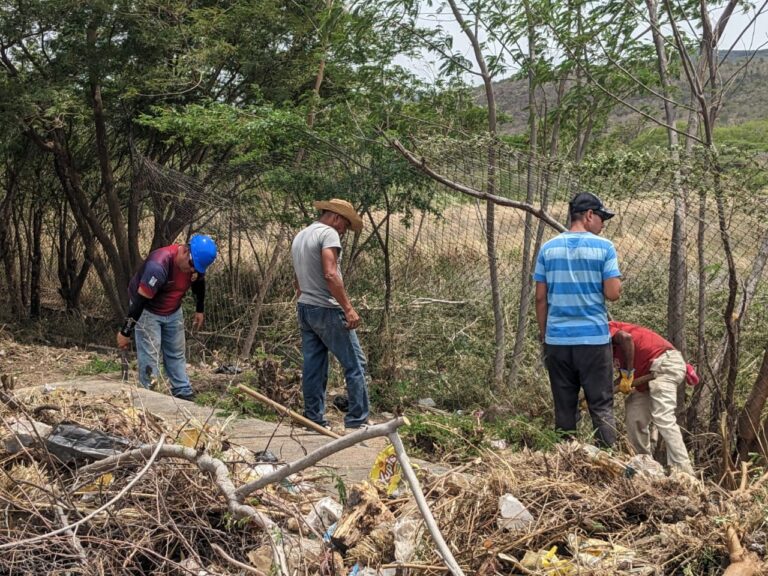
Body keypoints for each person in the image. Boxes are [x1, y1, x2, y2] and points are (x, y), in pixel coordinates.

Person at [533, 191, 622, 447]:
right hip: (593, 340)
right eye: (602, 217)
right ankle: (607, 460)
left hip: (557, 341)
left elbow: (540, 298)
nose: (603, 224)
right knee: (601, 405)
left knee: (564, 408)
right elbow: (612, 293)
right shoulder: (604, 247)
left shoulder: (548, 249)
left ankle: (565, 461)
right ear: (589, 215)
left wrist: (545, 335)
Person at [291, 198, 370, 431]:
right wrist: (348, 308)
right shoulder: (329, 234)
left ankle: (313, 419)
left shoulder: (301, 235)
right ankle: (357, 421)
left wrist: (305, 295)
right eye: (345, 225)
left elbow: (297, 277)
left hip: (305, 307)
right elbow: (330, 273)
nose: (344, 231)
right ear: (336, 218)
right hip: (327, 308)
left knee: (314, 366)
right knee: (356, 364)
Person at [116, 234, 218, 401]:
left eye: (197, 269)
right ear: (185, 251)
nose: (193, 271)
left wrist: (200, 309)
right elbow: (140, 300)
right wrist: (125, 332)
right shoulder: (159, 265)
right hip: (147, 310)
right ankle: (150, 393)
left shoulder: (194, 265)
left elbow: (199, 282)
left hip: (173, 309)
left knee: (176, 352)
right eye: (192, 266)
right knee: (151, 353)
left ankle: (182, 390)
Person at [609, 320, 695, 475]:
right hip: (646, 377)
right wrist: (595, 396)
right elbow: (622, 380)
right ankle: (645, 467)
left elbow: (626, 338)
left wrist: (627, 374)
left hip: (664, 363)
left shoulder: (601, 328)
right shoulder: (615, 351)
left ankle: (684, 471)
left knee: (663, 416)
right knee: (634, 416)